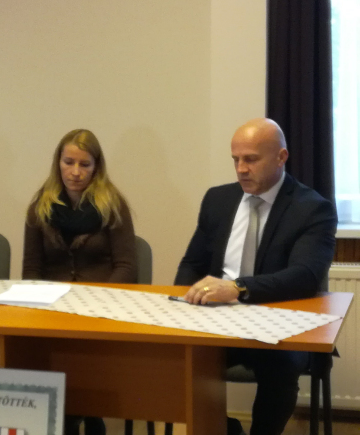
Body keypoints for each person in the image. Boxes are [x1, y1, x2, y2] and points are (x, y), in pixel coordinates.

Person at [175, 118, 337, 435]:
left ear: (281, 157)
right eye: (235, 159)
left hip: (280, 322)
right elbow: (192, 263)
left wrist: (238, 288)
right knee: (171, 359)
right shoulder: (218, 200)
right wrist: (184, 304)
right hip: (218, 322)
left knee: (280, 366)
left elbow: (304, 276)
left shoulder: (312, 208)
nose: (241, 169)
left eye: (251, 159)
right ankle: (225, 429)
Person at [23, 128, 137, 435]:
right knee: (37, 353)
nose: (75, 172)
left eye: (84, 164)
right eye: (68, 162)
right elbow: (31, 269)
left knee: (83, 356)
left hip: (101, 308)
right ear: (58, 163)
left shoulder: (113, 205)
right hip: (52, 309)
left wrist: (98, 301)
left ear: (96, 167)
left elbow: (126, 267)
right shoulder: (40, 206)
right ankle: (70, 416)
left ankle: (84, 412)